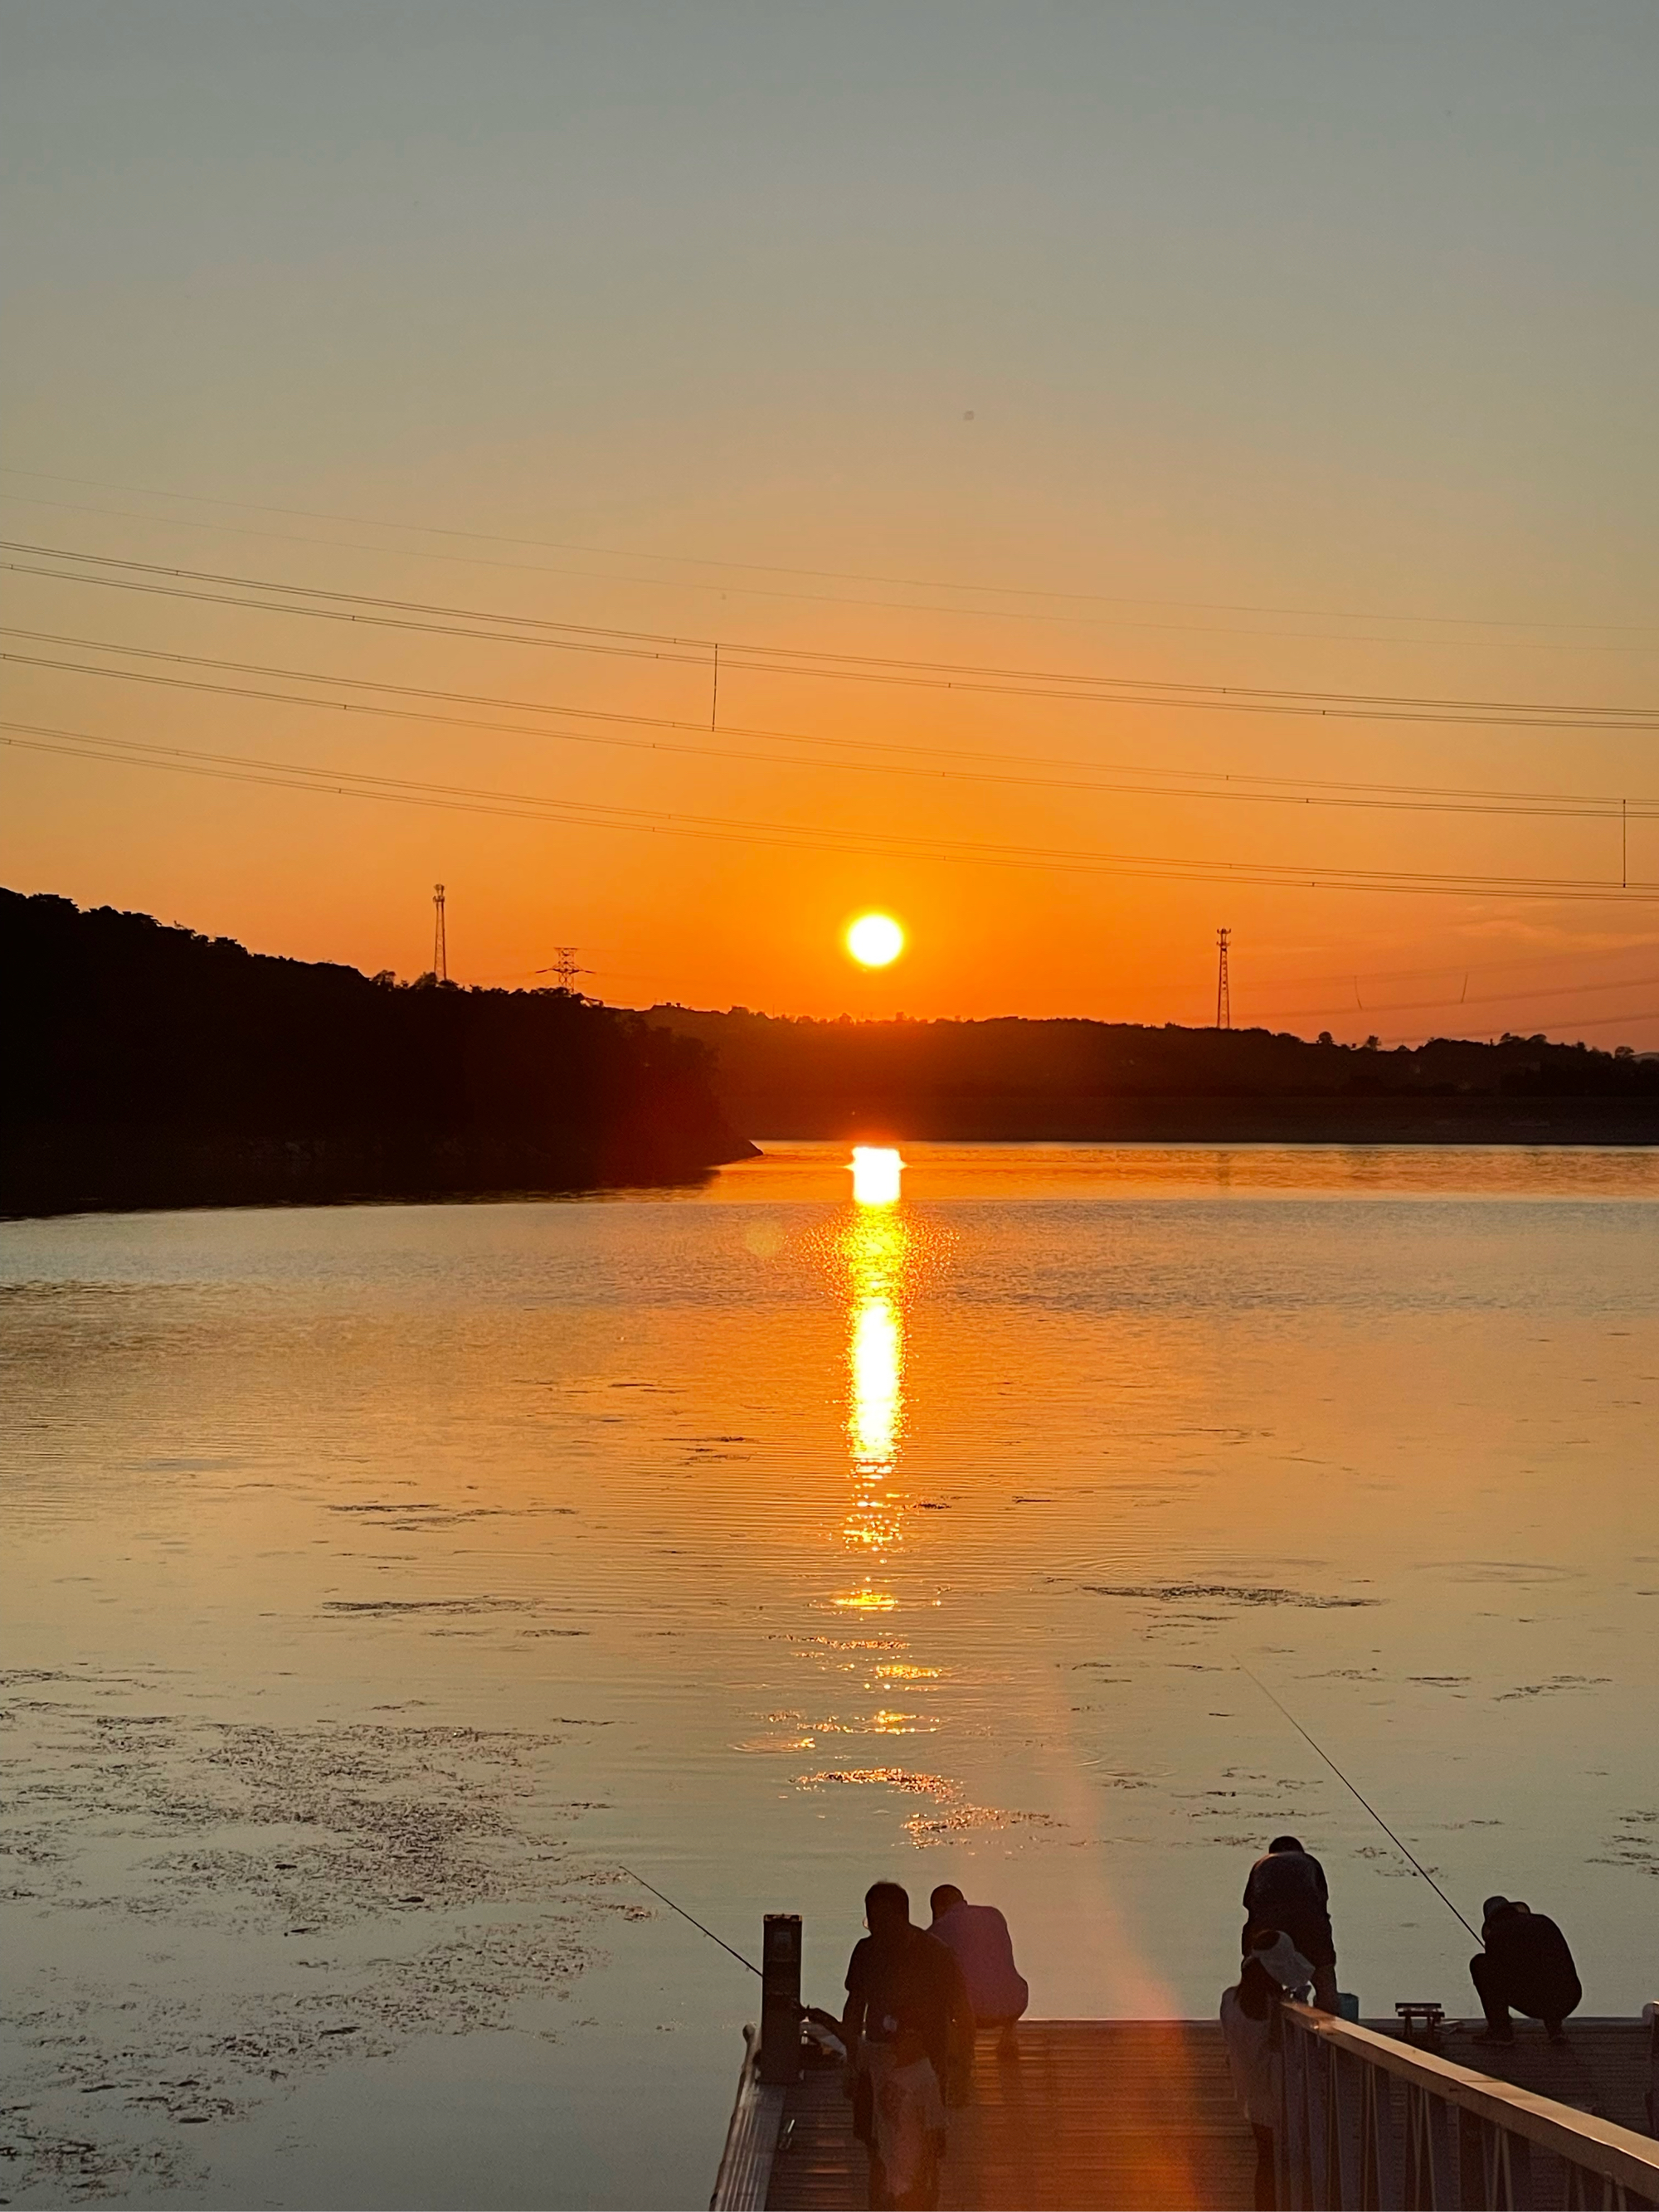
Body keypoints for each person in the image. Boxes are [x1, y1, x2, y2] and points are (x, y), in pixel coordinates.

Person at [842, 1880, 971, 2211]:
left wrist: (961, 2072)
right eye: (871, 1922)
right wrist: (851, 2060)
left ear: (903, 1916)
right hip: (877, 2065)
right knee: (877, 2151)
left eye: (882, 1921)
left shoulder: (936, 1955)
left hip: (925, 2068)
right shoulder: (866, 1951)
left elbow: (962, 2015)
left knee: (923, 2157)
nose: (876, 1930)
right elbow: (855, 2007)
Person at [1220, 1928, 1315, 2212]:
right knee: (1292, 2166)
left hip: (1251, 2097)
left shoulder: (1230, 2001)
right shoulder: (1279, 2012)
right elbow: (1293, 2052)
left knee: (1266, 2163)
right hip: (1281, 2098)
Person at [928, 1884, 1029, 2059]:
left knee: (935, 1987)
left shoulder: (937, 1931)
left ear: (938, 1908)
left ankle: (957, 2046)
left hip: (972, 2015)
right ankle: (1009, 2035)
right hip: (1015, 2003)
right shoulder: (994, 1915)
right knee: (1000, 1974)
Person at [1243, 1835, 1339, 2014]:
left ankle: (1263, 2023)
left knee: (1260, 1978)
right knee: (1324, 1978)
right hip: (1311, 1930)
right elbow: (1321, 1902)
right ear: (1300, 1851)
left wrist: (1249, 1955)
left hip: (1270, 1933)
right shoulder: (1311, 1863)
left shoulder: (1261, 1865)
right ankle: (1332, 2026)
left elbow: (1250, 1905)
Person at [1470, 1895, 1582, 2045]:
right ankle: (1555, 2029)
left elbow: (1497, 1979)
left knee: (1480, 1964)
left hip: (1537, 2002)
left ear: (1492, 1921)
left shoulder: (1497, 1935)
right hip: (1569, 1998)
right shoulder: (1544, 1922)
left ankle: (1500, 2030)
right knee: (1549, 1971)